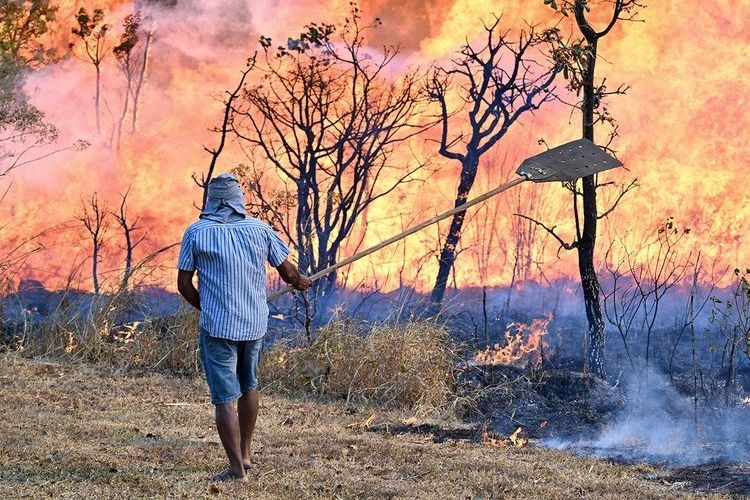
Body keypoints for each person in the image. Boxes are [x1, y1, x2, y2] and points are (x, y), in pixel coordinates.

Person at [176, 172, 311, 482]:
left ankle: (238, 469)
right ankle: (245, 453)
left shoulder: (196, 232)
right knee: (249, 385)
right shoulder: (260, 229)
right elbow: (289, 273)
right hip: (253, 324)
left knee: (225, 397)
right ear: (240, 200)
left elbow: (184, 285)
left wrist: (208, 308)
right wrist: (300, 281)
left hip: (217, 327)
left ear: (209, 201)